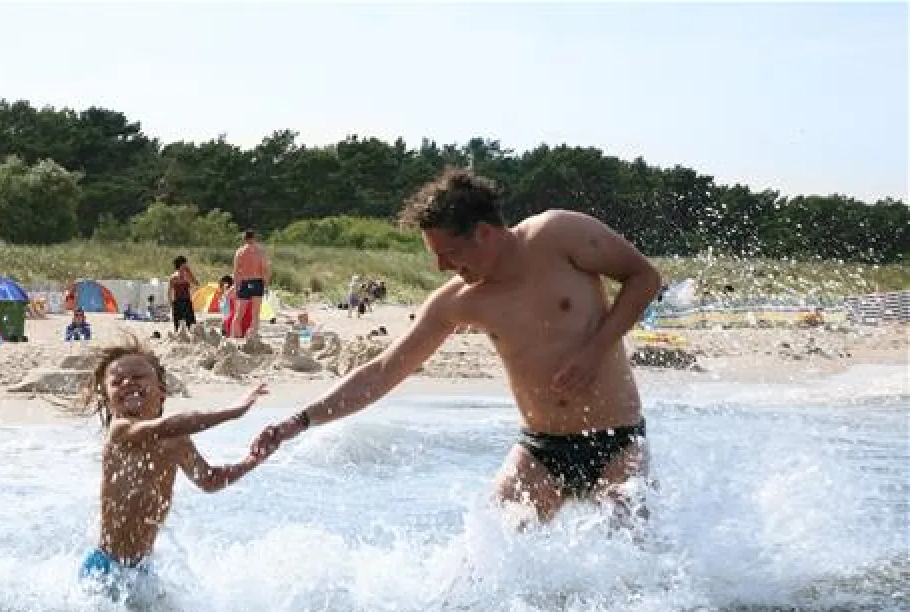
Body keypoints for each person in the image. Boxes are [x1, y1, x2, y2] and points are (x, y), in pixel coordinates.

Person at [252, 168, 662, 525]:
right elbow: (385, 370)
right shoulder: (459, 302)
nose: (441, 267)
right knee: (478, 570)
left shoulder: (560, 235)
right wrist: (298, 422)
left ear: (483, 233)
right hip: (542, 451)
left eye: (447, 253)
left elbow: (644, 278)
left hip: (617, 441)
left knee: (634, 575)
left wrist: (594, 351)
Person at [77, 338, 277, 592]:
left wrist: (251, 461)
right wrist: (232, 412)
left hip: (142, 568)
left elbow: (209, 480)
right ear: (107, 397)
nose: (128, 383)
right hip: (105, 566)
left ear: (162, 390)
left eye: (138, 377)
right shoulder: (120, 431)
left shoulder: (177, 442)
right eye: (117, 382)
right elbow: (169, 425)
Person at [231, 230, 270, 339]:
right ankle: (252, 336)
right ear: (254, 238)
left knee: (239, 313)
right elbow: (265, 269)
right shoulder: (260, 251)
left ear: (244, 238)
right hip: (257, 282)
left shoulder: (239, 252)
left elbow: (235, 271)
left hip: (244, 282)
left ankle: (234, 337)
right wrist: (266, 285)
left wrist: (236, 286)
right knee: (256, 313)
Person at [168, 256, 199, 333]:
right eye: (184, 264)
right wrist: (171, 303)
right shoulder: (174, 277)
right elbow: (169, 291)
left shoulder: (186, 275)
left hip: (185, 301)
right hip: (179, 301)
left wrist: (190, 273)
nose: (186, 265)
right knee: (180, 324)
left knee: (189, 324)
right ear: (181, 265)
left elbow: (196, 284)